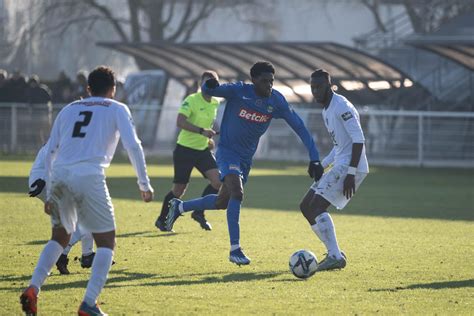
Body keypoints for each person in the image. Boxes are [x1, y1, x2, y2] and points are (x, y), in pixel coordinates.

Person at [20, 66, 154, 316]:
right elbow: (133, 146)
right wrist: (144, 184)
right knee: (106, 241)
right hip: (89, 175)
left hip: (60, 175)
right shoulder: (117, 108)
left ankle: (33, 289)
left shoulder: (69, 109)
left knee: (58, 237)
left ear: (88, 88)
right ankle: (89, 303)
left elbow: (50, 149)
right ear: (113, 89)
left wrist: (49, 191)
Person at [166, 61, 323, 265]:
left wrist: (315, 157)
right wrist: (209, 84)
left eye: (272, 82)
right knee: (237, 193)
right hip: (227, 152)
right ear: (254, 80)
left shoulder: (276, 101)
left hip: (246, 159)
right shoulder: (238, 91)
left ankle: (179, 207)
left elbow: (300, 127)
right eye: (265, 81)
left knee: (222, 202)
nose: (269, 86)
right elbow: (210, 89)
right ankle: (235, 249)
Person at [299, 69, 369, 271]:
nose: (315, 91)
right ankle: (334, 252)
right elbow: (340, 146)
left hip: (350, 167)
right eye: (312, 87)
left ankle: (335, 256)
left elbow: (359, 140)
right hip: (341, 164)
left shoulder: (341, 106)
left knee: (317, 207)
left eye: (319, 87)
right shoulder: (326, 109)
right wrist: (322, 164)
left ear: (330, 86)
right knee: (306, 206)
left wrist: (351, 173)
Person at [155, 70, 221, 232]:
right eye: (206, 81)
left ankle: (198, 213)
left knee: (218, 181)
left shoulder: (215, 103)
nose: (209, 84)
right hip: (185, 150)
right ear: (201, 84)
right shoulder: (191, 100)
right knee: (179, 190)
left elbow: (209, 125)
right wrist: (201, 131)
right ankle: (162, 220)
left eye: (213, 81)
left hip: (202, 150)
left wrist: (208, 139)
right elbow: (180, 121)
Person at [28, 142, 95, 275]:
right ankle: (83, 255)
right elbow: (52, 159)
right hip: (47, 182)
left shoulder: (65, 135)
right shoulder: (67, 138)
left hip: (42, 181)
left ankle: (78, 255)